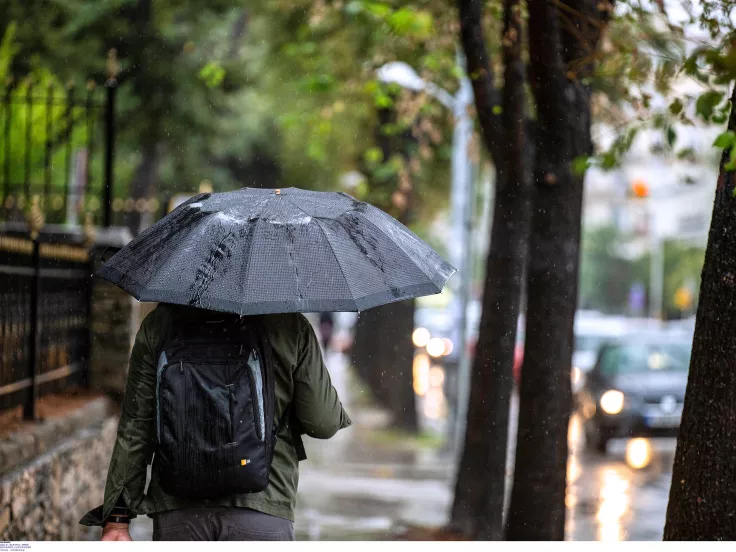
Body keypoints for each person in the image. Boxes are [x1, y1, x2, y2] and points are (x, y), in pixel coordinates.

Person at [80, 303, 351, 541]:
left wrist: (117, 516)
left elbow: (137, 425)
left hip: (179, 511)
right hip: (264, 508)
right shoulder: (288, 324)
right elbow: (323, 423)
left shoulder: (161, 323)